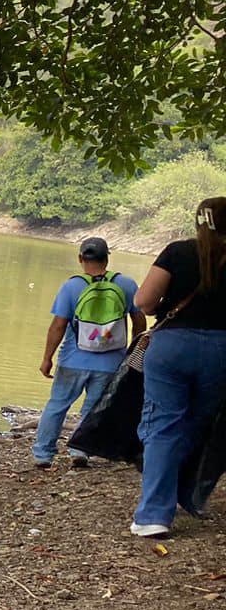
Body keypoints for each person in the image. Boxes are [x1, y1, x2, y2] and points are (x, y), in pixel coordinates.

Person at [129, 197, 226, 538]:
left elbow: (143, 301)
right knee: (199, 424)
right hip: (222, 350)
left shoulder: (178, 252)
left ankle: (154, 514)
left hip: (172, 346)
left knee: (162, 425)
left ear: (200, 221)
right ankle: (187, 493)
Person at [32, 236, 145, 469]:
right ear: (106, 258)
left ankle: (43, 454)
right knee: (92, 408)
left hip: (73, 359)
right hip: (110, 361)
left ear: (80, 258)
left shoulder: (72, 286)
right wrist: (132, 349)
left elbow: (58, 325)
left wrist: (47, 358)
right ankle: (79, 450)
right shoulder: (126, 284)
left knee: (57, 405)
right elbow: (139, 319)